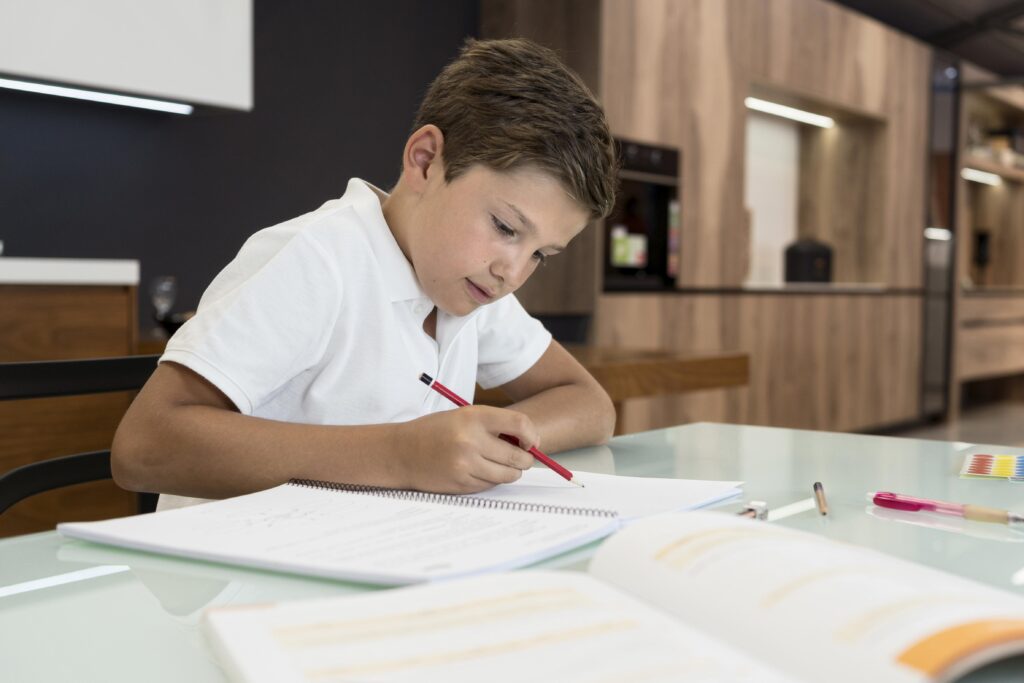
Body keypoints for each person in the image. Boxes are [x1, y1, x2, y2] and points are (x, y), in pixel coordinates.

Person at [111, 38, 618, 508]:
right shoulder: (318, 258)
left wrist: (493, 443)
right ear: (425, 161)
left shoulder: (473, 285)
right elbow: (144, 447)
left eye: (541, 254)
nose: (513, 272)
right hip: (232, 564)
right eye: (505, 227)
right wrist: (402, 455)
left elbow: (591, 405)